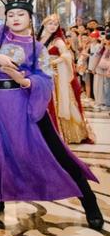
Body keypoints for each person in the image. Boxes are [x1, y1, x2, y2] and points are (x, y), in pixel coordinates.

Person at [0, 0, 104, 230]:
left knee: (56, 153)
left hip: (24, 104)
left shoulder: (38, 48)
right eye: (10, 14)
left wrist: (22, 80)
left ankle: (89, 201)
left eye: (20, 14)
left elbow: (45, 80)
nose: (15, 18)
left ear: (29, 17)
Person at [38, 14, 95, 144]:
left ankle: (62, 135)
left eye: (55, 24)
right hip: (41, 75)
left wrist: (52, 62)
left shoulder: (57, 40)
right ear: (44, 24)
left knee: (56, 102)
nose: (53, 26)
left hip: (56, 76)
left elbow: (66, 56)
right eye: (50, 24)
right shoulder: (38, 40)